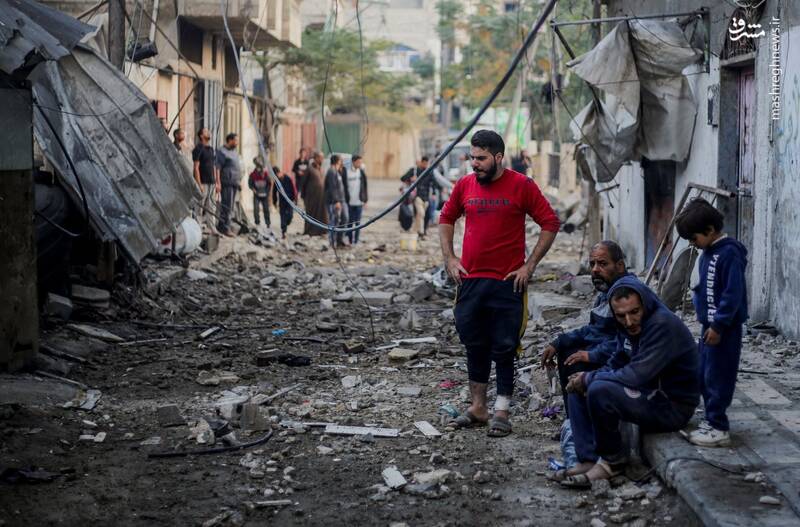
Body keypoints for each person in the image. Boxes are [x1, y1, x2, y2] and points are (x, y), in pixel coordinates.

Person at [439, 129, 560, 437]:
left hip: (508, 283)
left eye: (481, 158)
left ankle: (502, 411)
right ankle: (478, 408)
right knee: (474, 344)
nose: (474, 164)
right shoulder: (465, 185)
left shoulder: (522, 185)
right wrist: (450, 258)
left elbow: (550, 222)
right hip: (470, 281)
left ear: (498, 157)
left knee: (505, 347)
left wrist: (529, 266)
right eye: (472, 158)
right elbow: (446, 218)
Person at [559, 276, 700, 488]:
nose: (629, 321)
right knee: (577, 386)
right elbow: (616, 362)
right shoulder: (626, 327)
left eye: (634, 312)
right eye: (621, 315)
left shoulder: (661, 325)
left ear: (645, 304)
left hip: (671, 407)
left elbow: (636, 375)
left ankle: (612, 462)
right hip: (646, 394)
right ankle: (589, 459)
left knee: (598, 389)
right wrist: (583, 379)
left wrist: (590, 379)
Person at [675, 198, 748, 447]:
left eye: (693, 238)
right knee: (704, 373)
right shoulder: (708, 252)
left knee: (718, 376)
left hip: (724, 330)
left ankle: (719, 427)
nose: (692, 243)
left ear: (709, 230)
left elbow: (732, 294)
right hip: (710, 327)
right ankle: (710, 419)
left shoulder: (729, 253)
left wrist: (719, 325)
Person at [542, 241, 631, 410]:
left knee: (576, 364)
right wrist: (559, 341)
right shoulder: (606, 291)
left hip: (620, 360)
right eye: (592, 264)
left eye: (602, 264)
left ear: (619, 266)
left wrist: (592, 355)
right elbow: (593, 329)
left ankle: (585, 419)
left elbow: (627, 342)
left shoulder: (626, 295)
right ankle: (573, 419)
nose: (595, 269)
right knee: (566, 351)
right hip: (603, 349)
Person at [191, 128, 219, 233]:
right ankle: (197, 229)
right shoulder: (198, 149)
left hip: (211, 183)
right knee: (200, 206)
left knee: (211, 207)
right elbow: (196, 167)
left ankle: (212, 228)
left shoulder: (211, 149)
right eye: (206, 132)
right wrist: (199, 184)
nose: (209, 133)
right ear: (201, 136)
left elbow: (214, 166)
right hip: (202, 182)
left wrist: (216, 182)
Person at [215, 133, 242, 236]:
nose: (237, 143)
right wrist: (218, 183)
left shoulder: (234, 152)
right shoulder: (222, 151)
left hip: (234, 183)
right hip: (227, 183)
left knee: (230, 206)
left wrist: (239, 182)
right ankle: (225, 228)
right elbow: (217, 168)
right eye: (236, 140)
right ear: (230, 140)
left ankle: (224, 226)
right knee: (227, 206)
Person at [402, 157, 434, 238]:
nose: (425, 165)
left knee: (420, 216)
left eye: (427, 164)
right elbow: (403, 178)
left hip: (426, 197)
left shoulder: (429, 172)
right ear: (421, 162)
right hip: (417, 196)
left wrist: (434, 194)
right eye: (424, 163)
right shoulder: (414, 171)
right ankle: (421, 232)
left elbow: (434, 183)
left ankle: (414, 231)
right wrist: (411, 179)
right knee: (421, 213)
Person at [342, 154, 368, 245]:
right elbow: (344, 187)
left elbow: (365, 187)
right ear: (353, 162)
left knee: (358, 223)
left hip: (359, 202)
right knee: (350, 222)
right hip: (349, 202)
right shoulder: (347, 172)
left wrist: (365, 200)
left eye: (361, 162)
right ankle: (350, 240)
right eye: (358, 162)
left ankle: (356, 241)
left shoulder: (361, 172)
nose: (360, 164)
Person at [301, 151, 328, 237]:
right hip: (311, 197)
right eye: (321, 158)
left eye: (323, 158)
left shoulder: (321, 169)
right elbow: (303, 183)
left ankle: (321, 231)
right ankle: (309, 231)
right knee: (311, 214)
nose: (322, 159)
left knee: (322, 214)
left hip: (321, 197)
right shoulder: (309, 168)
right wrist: (303, 196)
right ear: (316, 158)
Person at [324, 154, 346, 248]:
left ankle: (336, 241)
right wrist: (336, 201)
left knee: (337, 221)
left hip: (337, 201)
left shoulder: (336, 171)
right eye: (340, 160)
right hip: (332, 202)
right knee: (333, 222)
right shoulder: (331, 172)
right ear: (337, 161)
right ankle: (332, 242)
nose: (342, 162)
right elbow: (332, 188)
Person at [272, 165, 297, 239]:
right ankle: (284, 232)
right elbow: (274, 192)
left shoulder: (287, 178)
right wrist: (274, 202)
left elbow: (293, 189)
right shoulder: (276, 182)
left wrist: (294, 199)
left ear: (279, 172)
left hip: (290, 200)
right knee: (282, 216)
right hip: (282, 201)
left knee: (290, 216)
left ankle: (287, 223)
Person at [248, 157, 272, 229]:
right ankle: (257, 223)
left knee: (266, 209)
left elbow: (269, 183)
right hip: (257, 195)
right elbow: (250, 184)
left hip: (265, 195)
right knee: (256, 210)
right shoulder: (253, 174)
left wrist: (267, 192)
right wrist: (253, 189)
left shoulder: (265, 174)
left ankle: (268, 223)